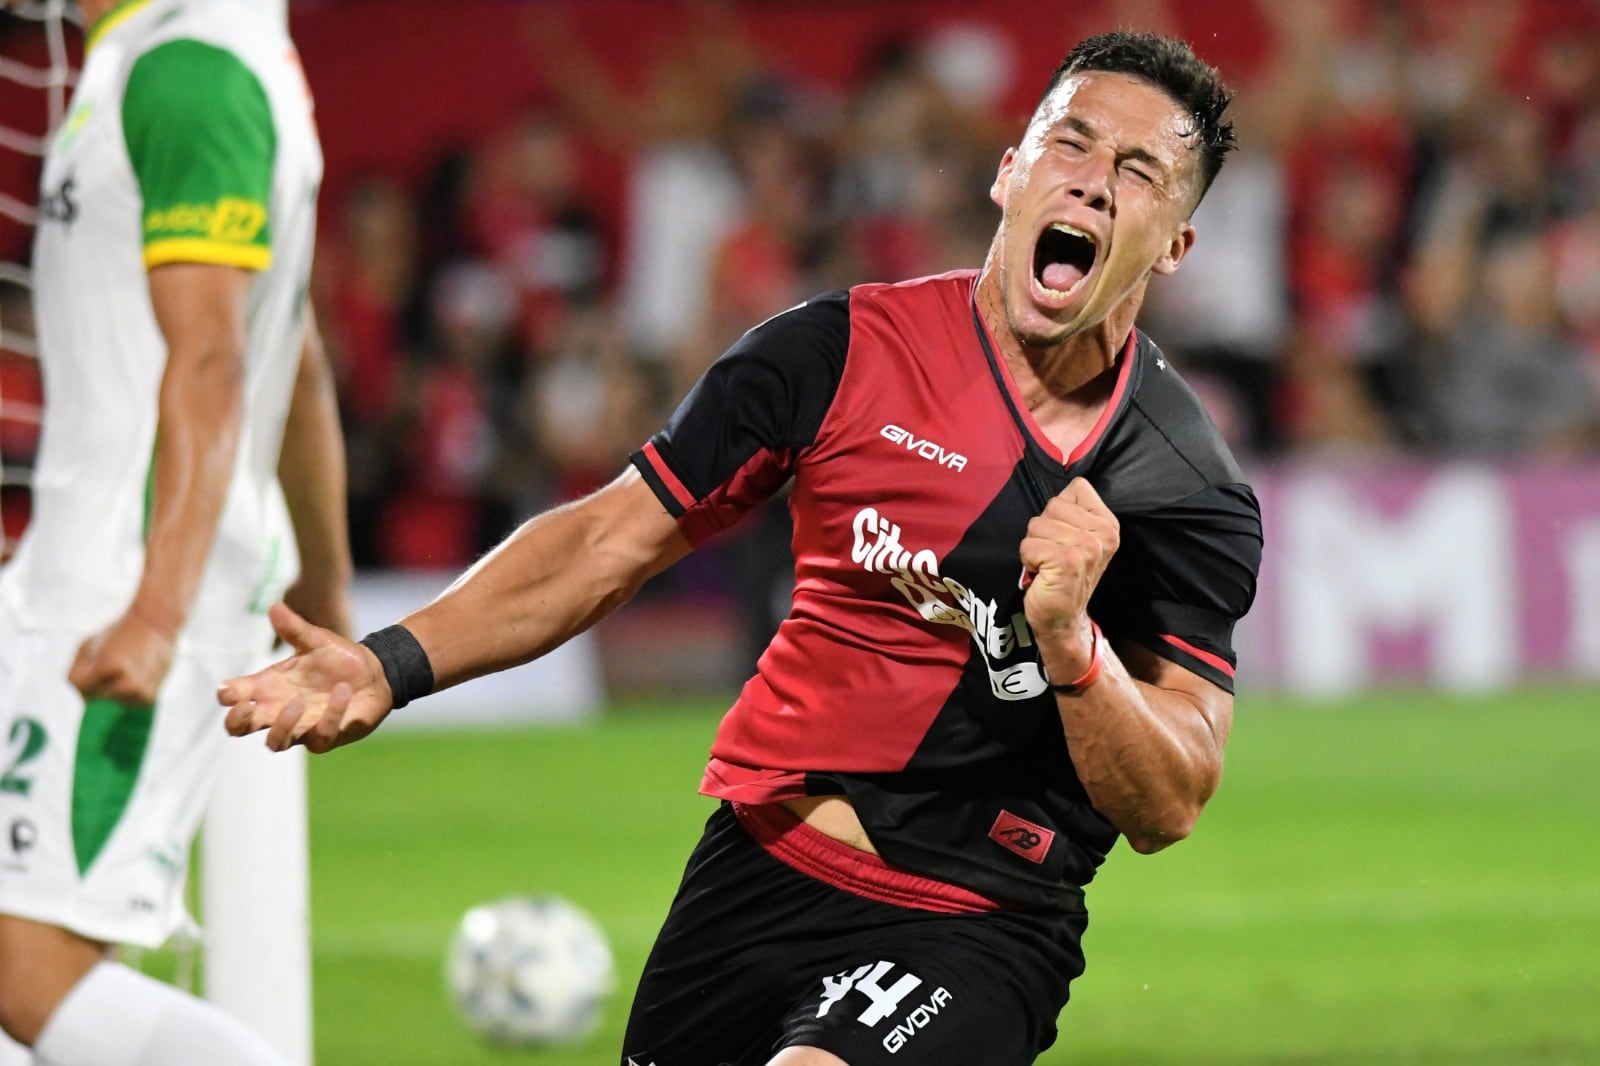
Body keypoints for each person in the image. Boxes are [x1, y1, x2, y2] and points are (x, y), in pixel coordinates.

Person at [222, 30, 1262, 1066]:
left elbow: (1169, 799)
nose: (1089, 186)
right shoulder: (831, 354)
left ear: (1173, 241)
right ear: (1009, 171)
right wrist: (385, 660)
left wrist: (1072, 647)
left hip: (975, 919)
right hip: (752, 871)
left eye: (1137, 172)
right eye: (1068, 145)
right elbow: (603, 542)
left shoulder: (1181, 484)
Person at [0, 0, 348, 1063]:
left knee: (28, 963)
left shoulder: (190, 67)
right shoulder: (188, 54)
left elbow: (214, 361)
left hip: (130, 585)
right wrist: (330, 602)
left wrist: (153, 612)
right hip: (103, 571)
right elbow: (290, 352)